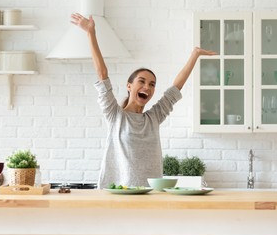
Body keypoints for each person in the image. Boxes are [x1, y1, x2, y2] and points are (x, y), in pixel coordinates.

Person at [71, 13, 216, 189]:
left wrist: (195, 55)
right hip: (119, 194)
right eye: (142, 81)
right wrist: (90, 33)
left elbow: (175, 88)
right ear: (129, 86)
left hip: (151, 195)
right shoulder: (115, 115)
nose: (147, 87)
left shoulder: (153, 117)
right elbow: (102, 74)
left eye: (152, 84)